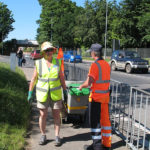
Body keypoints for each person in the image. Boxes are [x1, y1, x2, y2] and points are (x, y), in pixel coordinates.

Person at [27, 41, 67, 146]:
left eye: (51, 50)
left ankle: (57, 136)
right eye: (47, 50)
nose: (49, 52)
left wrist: (65, 90)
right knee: (43, 115)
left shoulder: (58, 62)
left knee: (57, 116)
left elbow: (62, 78)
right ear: (44, 52)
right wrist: (30, 92)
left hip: (56, 94)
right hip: (42, 94)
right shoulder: (38, 63)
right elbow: (33, 78)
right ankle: (43, 135)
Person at [79, 43, 111, 150]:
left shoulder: (94, 65)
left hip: (96, 98)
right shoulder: (107, 64)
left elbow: (89, 82)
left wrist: (81, 86)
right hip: (105, 98)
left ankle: (97, 146)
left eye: (91, 53)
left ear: (93, 53)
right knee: (105, 121)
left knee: (95, 122)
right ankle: (107, 144)